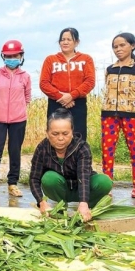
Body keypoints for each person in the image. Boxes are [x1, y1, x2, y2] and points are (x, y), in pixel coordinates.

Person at [29, 108, 112, 222]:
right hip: (60, 190)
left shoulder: (82, 147)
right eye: (55, 134)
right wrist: (41, 202)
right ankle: (60, 209)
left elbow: (83, 176)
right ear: (47, 133)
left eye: (65, 133)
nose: (61, 138)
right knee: (49, 178)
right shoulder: (42, 148)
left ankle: (87, 209)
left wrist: (83, 203)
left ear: (72, 131)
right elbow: (34, 178)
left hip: (82, 190)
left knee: (104, 182)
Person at [0, 40, 31, 201]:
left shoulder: (25, 77)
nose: (11, 58)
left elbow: (27, 98)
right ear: (3, 57)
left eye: (15, 56)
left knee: (15, 151)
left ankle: (13, 183)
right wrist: (1, 106)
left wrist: (16, 109)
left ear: (21, 56)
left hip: (18, 120)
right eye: (8, 56)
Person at [39, 27, 95, 141]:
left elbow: (90, 81)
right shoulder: (50, 60)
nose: (65, 42)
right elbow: (44, 83)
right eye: (62, 39)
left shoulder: (86, 59)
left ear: (77, 42)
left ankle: (79, 158)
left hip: (77, 103)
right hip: (56, 102)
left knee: (78, 135)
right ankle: (56, 159)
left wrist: (71, 95)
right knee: (56, 135)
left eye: (69, 39)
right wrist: (61, 96)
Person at [101, 32, 135, 198]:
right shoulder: (110, 69)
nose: (118, 49)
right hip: (109, 115)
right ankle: (106, 186)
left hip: (131, 115)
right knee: (107, 151)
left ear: (132, 46)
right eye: (115, 46)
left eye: (122, 45)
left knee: (134, 151)